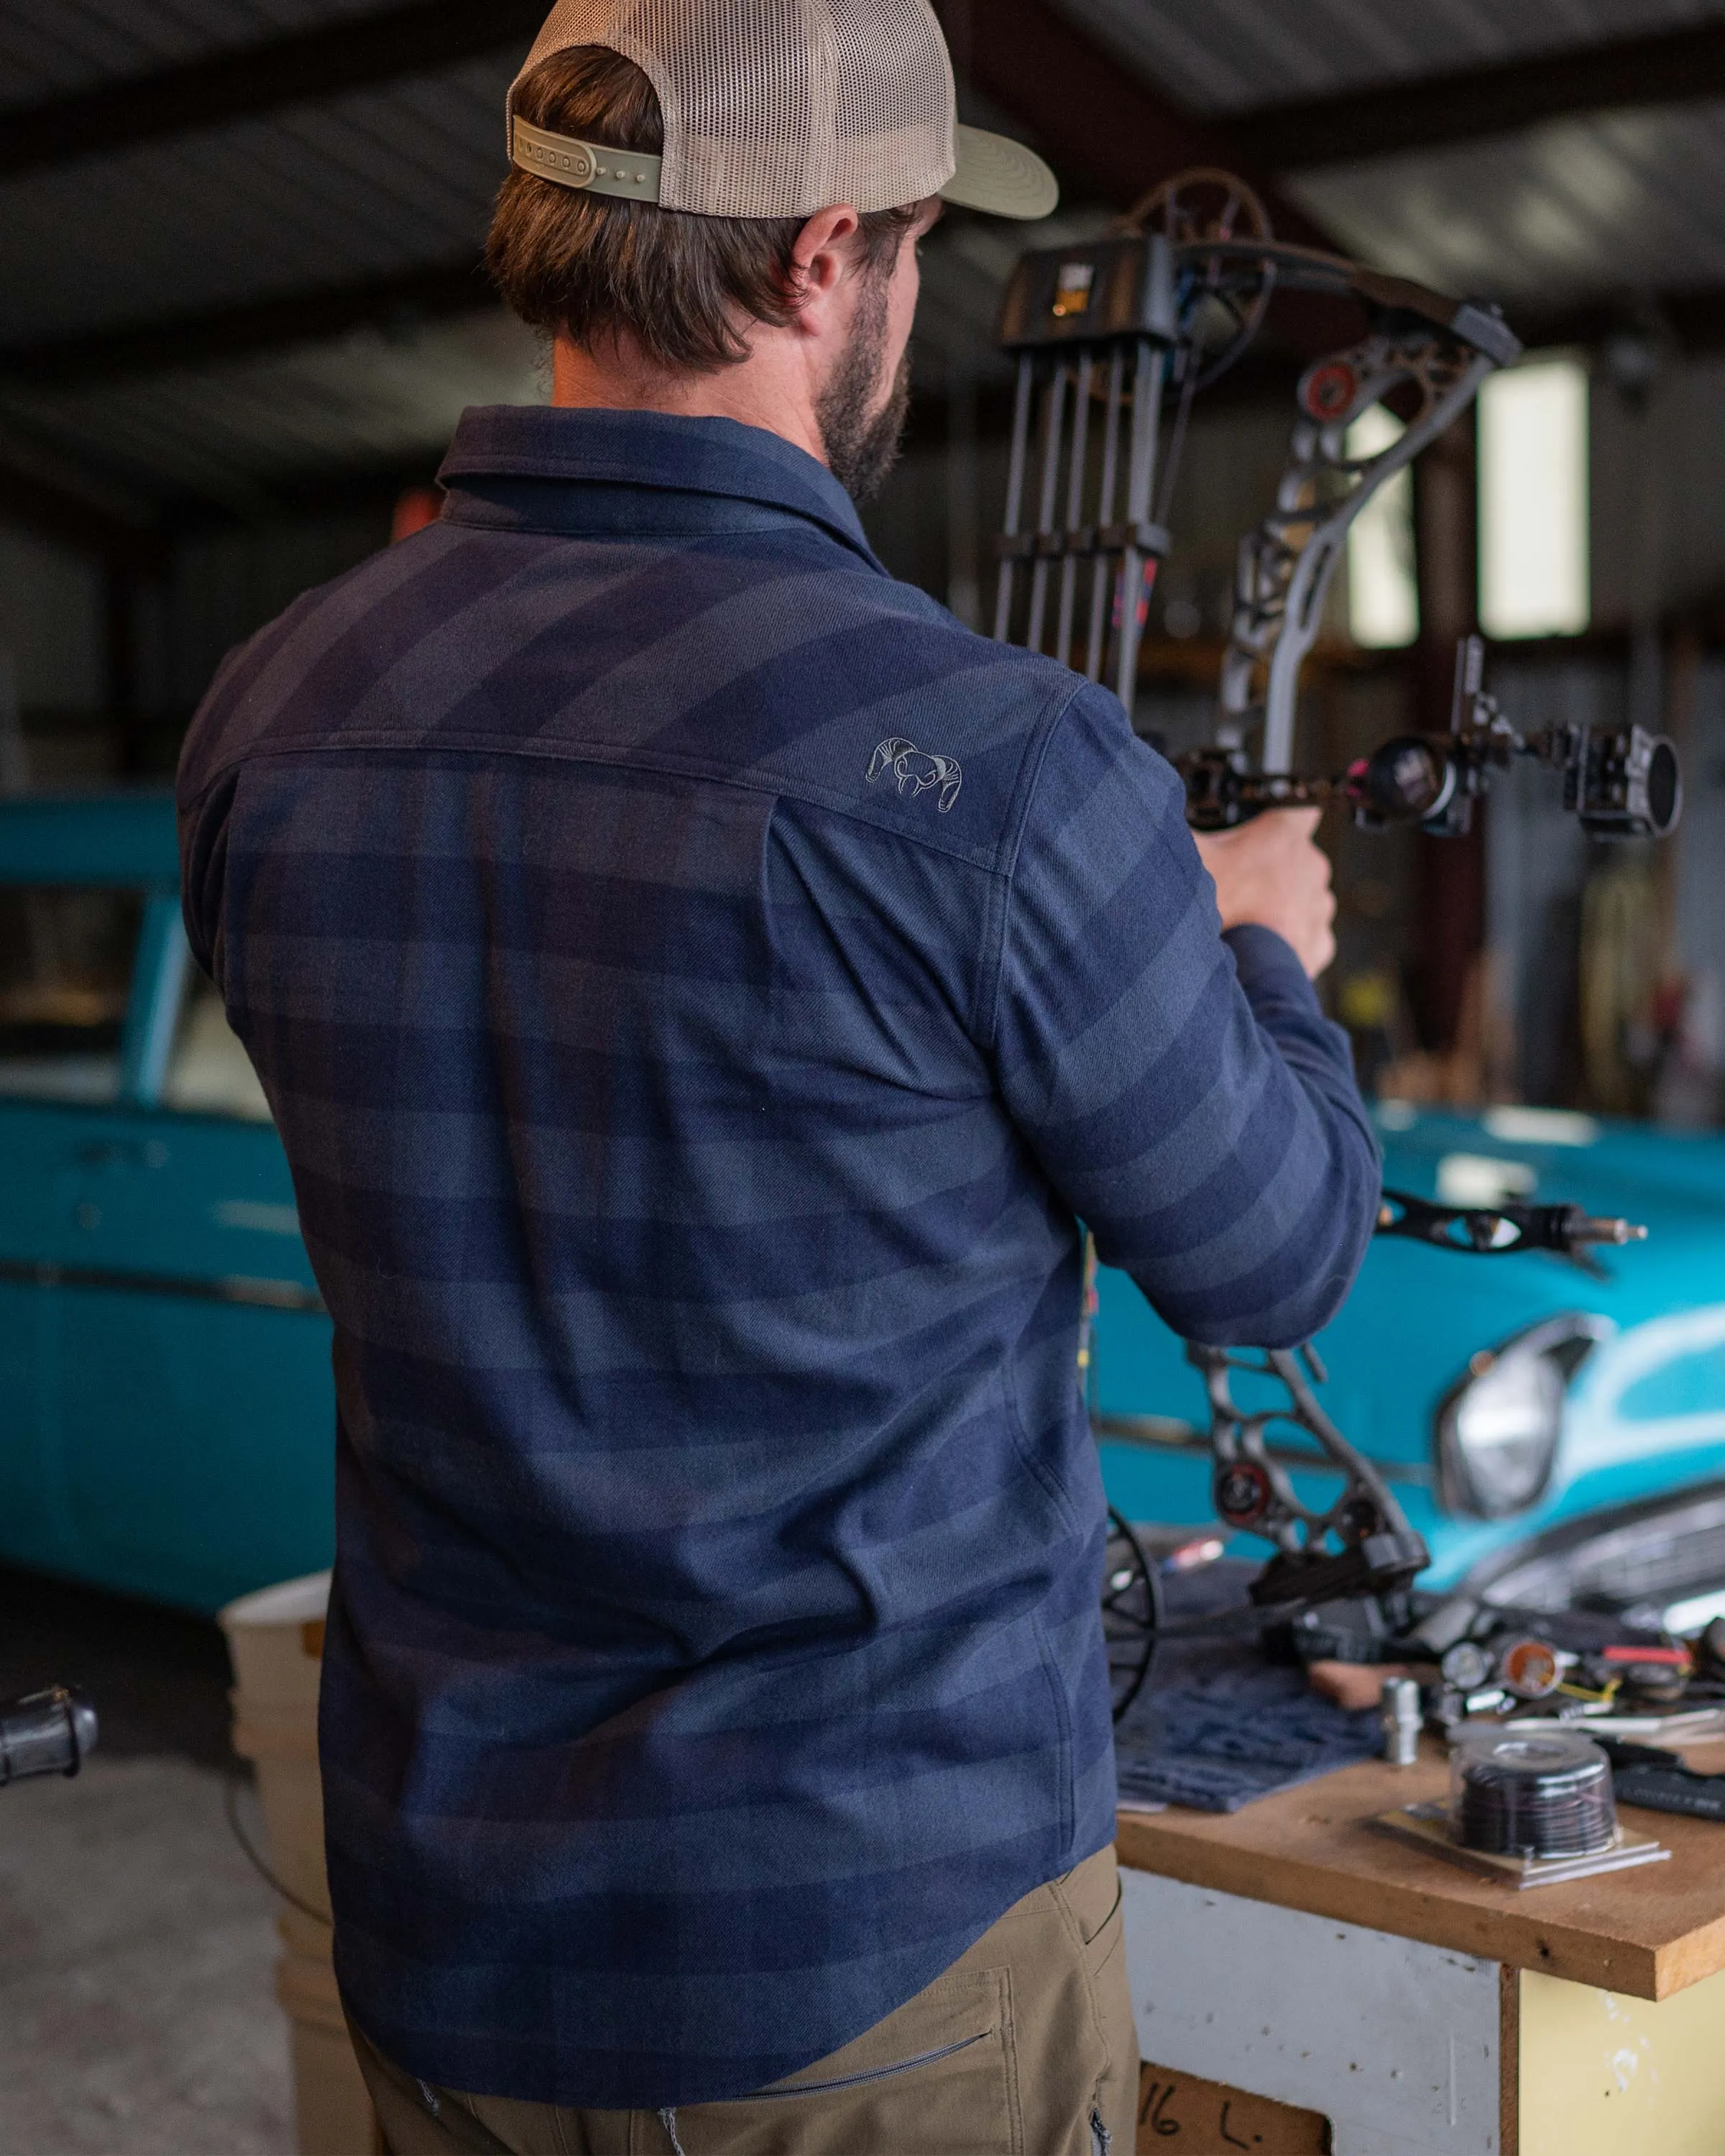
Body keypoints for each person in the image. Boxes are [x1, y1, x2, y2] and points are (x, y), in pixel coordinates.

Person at [177, 4, 1379, 2150]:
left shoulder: (278, 711)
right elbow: (1274, 1251)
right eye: (913, 243)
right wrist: (1255, 945)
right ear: (827, 261)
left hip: (449, 1942)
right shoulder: (997, 772)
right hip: (863, 1963)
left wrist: (1098, 905)